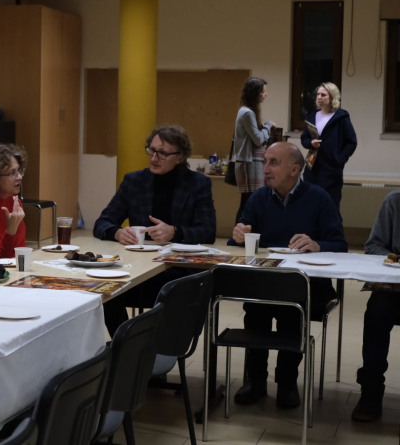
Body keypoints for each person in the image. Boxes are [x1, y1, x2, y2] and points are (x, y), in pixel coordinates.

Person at [231, 142, 345, 409]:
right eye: (265, 162)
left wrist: (318, 245)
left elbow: (339, 244)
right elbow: (240, 238)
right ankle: (255, 380)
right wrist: (238, 235)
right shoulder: (258, 198)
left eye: (273, 163)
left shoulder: (319, 198)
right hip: (265, 282)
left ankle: (287, 382)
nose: (265, 169)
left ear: (294, 170)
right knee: (255, 310)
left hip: (307, 285)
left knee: (291, 311)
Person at [93, 125, 216, 334]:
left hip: (177, 271)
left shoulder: (197, 184)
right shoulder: (134, 181)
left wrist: (175, 232)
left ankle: (155, 347)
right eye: (151, 150)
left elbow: (208, 231)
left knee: (177, 295)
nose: (154, 158)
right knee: (103, 288)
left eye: (162, 153)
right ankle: (126, 342)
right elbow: (102, 222)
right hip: (138, 269)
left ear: (179, 157)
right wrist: (118, 232)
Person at [351, 190, 400, 422]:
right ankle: (371, 390)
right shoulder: (394, 201)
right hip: (394, 287)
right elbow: (373, 246)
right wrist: (395, 260)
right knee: (376, 313)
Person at [300, 82, 357, 212]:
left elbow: (351, 142)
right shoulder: (312, 115)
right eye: (318, 94)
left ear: (332, 97)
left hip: (331, 169)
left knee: (330, 207)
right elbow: (304, 139)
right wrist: (311, 143)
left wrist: (340, 160)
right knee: (310, 205)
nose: (319, 97)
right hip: (312, 168)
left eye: (323, 95)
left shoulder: (341, 117)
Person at [233, 77, 276, 223]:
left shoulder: (247, 111)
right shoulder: (247, 113)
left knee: (250, 201)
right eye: (263, 92)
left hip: (251, 161)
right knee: (248, 201)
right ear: (255, 93)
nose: (265, 94)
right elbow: (258, 139)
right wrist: (268, 126)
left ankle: (247, 230)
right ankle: (240, 230)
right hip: (249, 162)